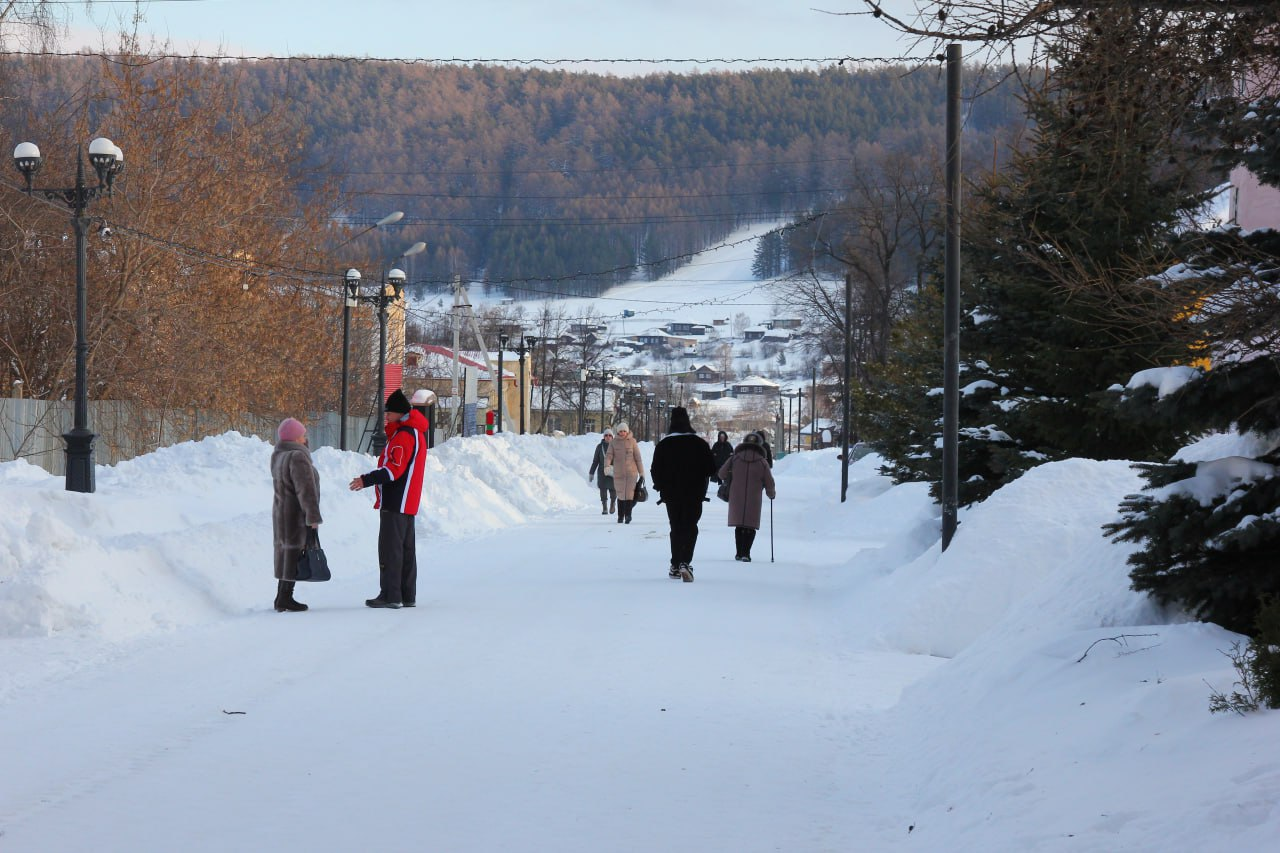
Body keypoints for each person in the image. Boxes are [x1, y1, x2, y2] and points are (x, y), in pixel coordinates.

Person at [349, 389, 429, 609]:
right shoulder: (415, 433)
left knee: (390, 549)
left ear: (399, 414)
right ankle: (406, 594)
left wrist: (366, 480)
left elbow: (393, 471)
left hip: (396, 500)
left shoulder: (403, 436)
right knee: (405, 550)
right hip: (407, 501)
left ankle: (391, 595)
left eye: (389, 413)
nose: (386, 417)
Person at [649, 407, 716, 582]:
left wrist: (660, 486)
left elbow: (655, 470)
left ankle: (675, 564)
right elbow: (711, 468)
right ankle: (685, 562)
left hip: (671, 494)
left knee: (676, 527)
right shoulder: (700, 444)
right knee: (691, 526)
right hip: (694, 493)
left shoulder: (664, 445)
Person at [271, 417, 322, 613]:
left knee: (287, 552)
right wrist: (313, 517)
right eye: (302, 435)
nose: (305, 437)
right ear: (295, 438)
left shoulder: (279, 455)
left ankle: (282, 596)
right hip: (296, 514)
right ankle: (285, 597)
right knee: (294, 553)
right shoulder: (298, 457)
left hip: (282, 512)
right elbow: (305, 490)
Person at [718, 431, 776, 562]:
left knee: (739, 525)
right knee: (750, 525)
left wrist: (732, 477)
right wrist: (771, 494)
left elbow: (721, 474)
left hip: (736, 496)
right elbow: (769, 482)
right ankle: (746, 553)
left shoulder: (735, 458)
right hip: (754, 498)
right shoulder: (762, 462)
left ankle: (738, 552)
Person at [603, 421, 644, 524]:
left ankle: (628, 516)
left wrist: (641, 472)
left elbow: (638, 458)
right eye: (620, 431)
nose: (622, 433)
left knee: (629, 494)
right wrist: (607, 466)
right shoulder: (613, 442)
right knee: (621, 495)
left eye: (624, 431)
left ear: (627, 431)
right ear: (618, 432)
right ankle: (620, 516)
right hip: (619, 473)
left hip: (631, 473)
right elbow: (608, 456)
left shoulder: (633, 442)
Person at [588, 427, 617, 515]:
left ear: (612, 437)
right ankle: (604, 506)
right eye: (606, 435)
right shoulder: (599, 447)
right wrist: (591, 472)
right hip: (602, 472)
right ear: (604, 437)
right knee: (603, 489)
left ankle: (612, 503)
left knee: (613, 489)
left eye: (610, 435)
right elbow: (595, 461)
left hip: (613, 471)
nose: (608, 437)